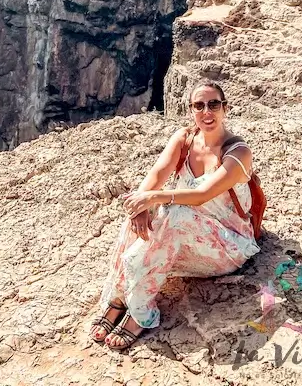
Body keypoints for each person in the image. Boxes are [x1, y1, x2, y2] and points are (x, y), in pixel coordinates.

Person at [90, 80, 260, 350]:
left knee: (174, 212)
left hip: (228, 246)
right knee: (139, 211)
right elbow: (157, 174)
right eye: (199, 105)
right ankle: (121, 298)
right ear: (191, 110)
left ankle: (140, 313)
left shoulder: (238, 152)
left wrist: (154, 198)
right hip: (186, 235)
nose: (207, 111)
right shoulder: (184, 139)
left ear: (225, 108)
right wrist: (141, 204)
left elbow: (202, 194)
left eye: (214, 104)